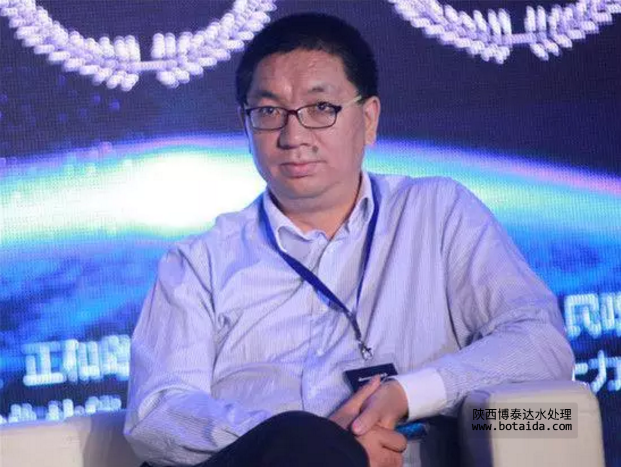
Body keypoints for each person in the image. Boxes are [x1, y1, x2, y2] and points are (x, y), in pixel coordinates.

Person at [124, 12, 575, 467]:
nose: (293, 136)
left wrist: (406, 394)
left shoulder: (437, 213)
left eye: (321, 108)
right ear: (246, 124)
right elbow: (156, 413)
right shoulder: (200, 262)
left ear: (369, 118)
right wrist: (306, 443)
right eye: (269, 112)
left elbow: (540, 342)